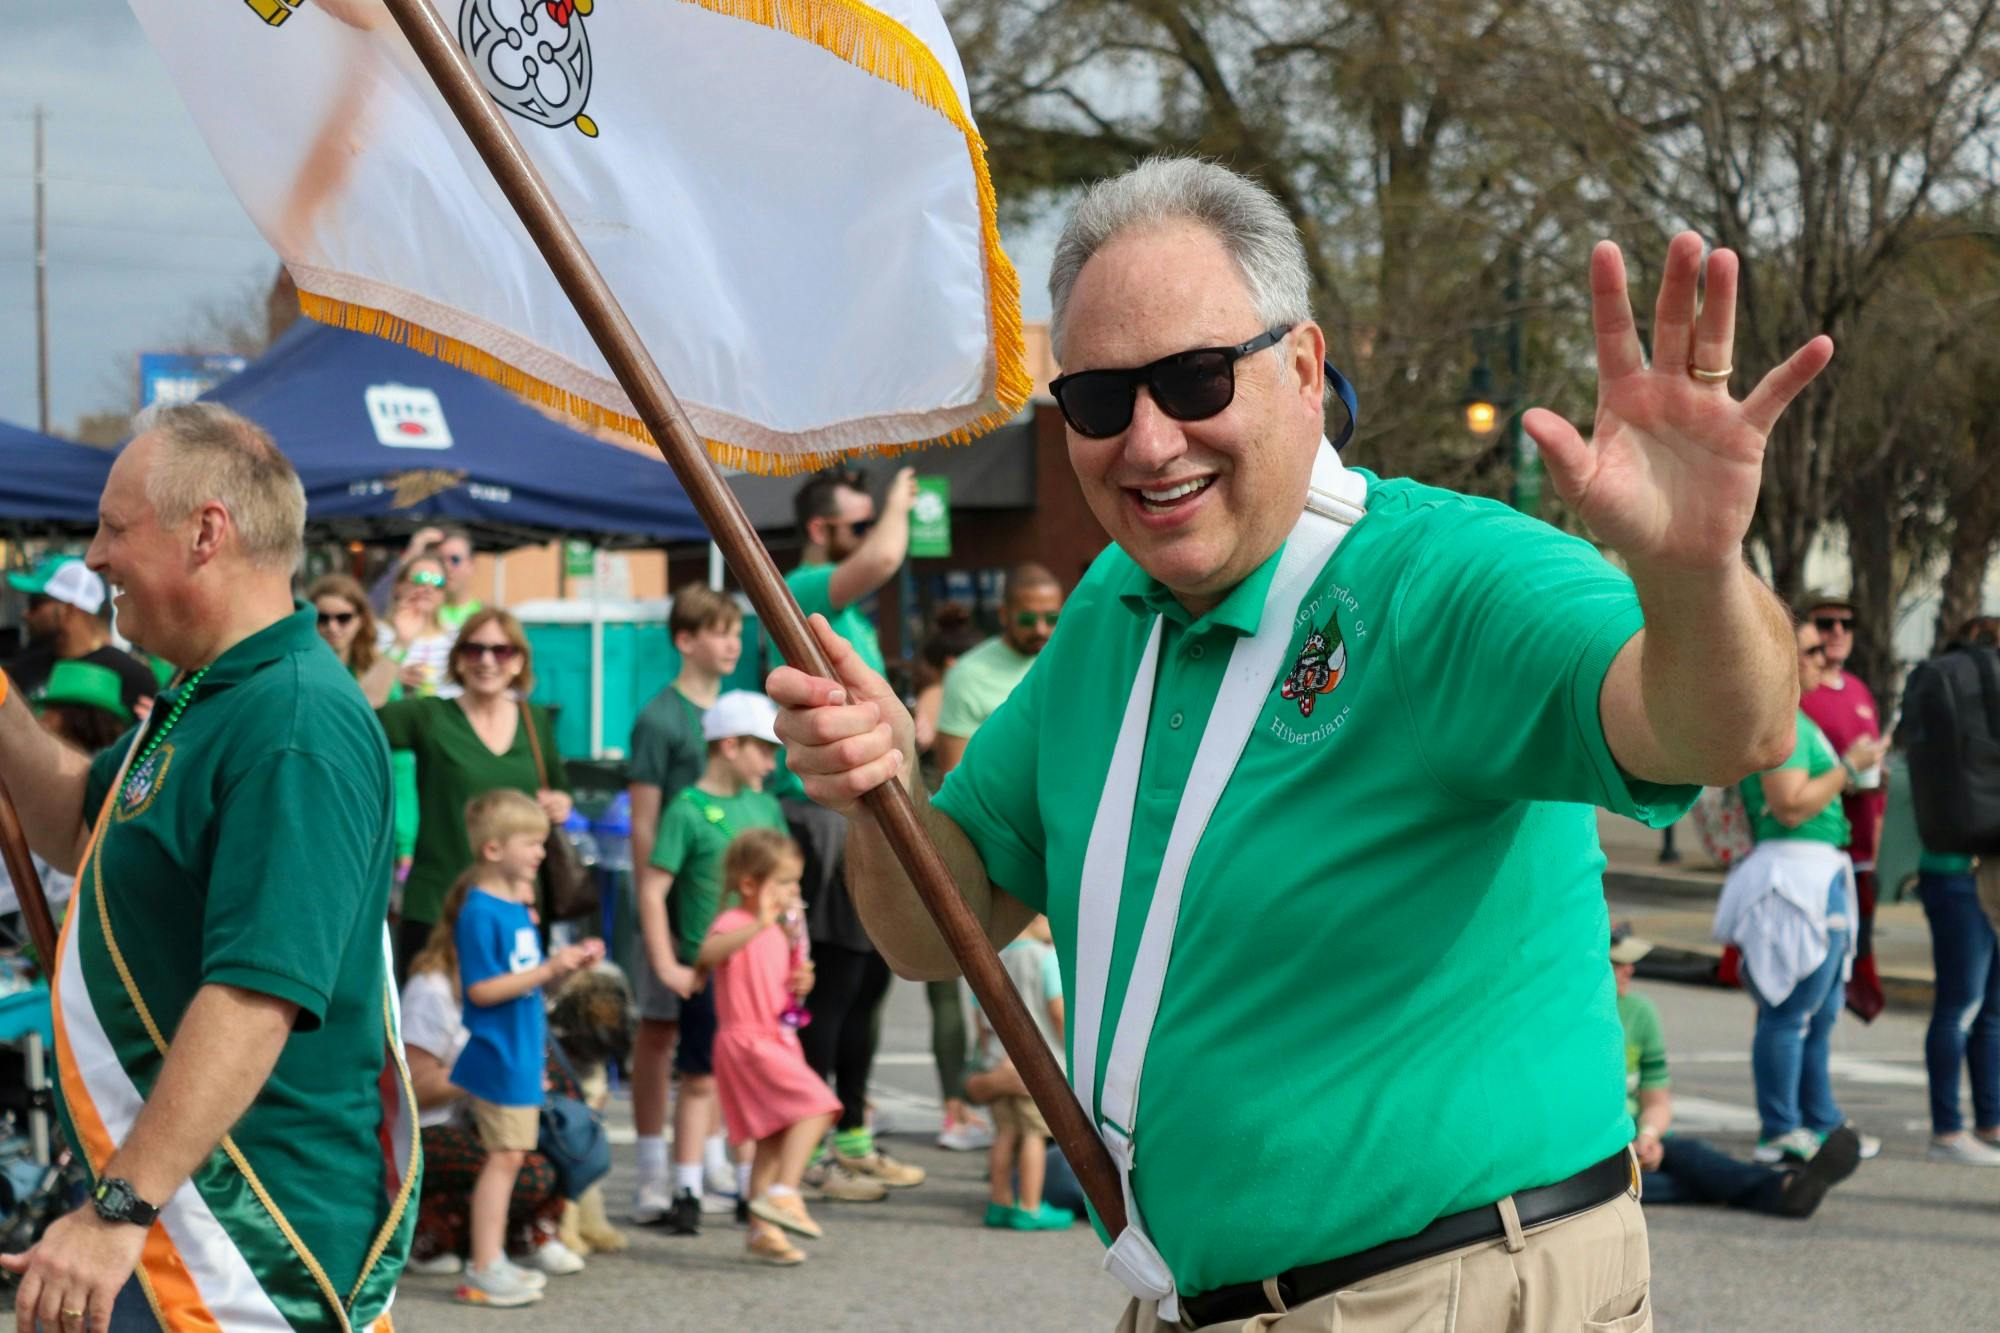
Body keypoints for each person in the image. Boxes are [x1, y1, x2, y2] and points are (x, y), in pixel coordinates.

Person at [772, 157, 1830, 1331]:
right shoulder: (1106, 611)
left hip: (1449, 1293)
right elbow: (935, 929)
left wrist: (1692, 575)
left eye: (1191, 378)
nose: (1148, 438)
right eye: (1098, 399)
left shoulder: (1442, 578)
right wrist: (881, 790)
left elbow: (1721, 729)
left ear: (1303, 370)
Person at [0, 402, 413, 1330]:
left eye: (113, 527)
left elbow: (255, 994)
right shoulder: (208, 692)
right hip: (175, 1208)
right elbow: (74, 820)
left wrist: (117, 1210)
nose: (96, 557)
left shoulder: (293, 721)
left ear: (205, 531)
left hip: (247, 1237)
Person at [782, 465, 929, 1196]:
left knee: (872, 982)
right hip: (822, 818)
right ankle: (807, 1152)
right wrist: (901, 503)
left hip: (872, 806)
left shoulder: (858, 619)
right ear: (821, 531)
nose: (873, 533)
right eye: (857, 521)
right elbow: (884, 559)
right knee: (834, 985)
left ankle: (851, 1133)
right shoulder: (800, 591)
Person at [1715, 621, 1882, 1166]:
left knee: (1823, 1008)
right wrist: (1849, 769)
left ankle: (1818, 1120)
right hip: (1794, 877)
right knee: (1790, 1006)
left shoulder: (1798, 723)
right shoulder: (1780, 724)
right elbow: (1789, 804)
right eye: (1811, 650)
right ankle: (1781, 1128)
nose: (1825, 657)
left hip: (1818, 873)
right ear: (1784, 660)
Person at [633, 690, 789, 1230]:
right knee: (699, 1079)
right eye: (764, 751)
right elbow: (653, 891)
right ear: (729, 745)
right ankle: (686, 1188)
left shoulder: (766, 807)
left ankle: (751, 1189)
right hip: (709, 969)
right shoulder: (687, 809)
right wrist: (666, 965)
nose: (773, 764)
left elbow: (786, 891)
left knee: (752, 1081)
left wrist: (797, 958)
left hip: (762, 973)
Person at [928, 569, 1067, 1152]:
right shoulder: (972, 675)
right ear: (1004, 613)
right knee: (956, 988)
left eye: (1050, 617)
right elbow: (957, 783)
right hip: (990, 847)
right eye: (1028, 617)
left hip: (1060, 837)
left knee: (1052, 986)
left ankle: (1053, 1115)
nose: (1041, 629)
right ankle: (961, 1105)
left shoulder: (1069, 653)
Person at [448, 789, 604, 1307]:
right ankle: (485, 1264)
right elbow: (481, 990)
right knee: (505, 1158)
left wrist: (563, 970)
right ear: (494, 850)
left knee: (511, 1157)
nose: (541, 852)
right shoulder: (481, 912)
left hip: (519, 1053)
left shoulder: (518, 907)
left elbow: (526, 987)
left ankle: (491, 1259)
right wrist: (548, 969)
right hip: (499, 1054)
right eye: (530, 843)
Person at [400, 851, 579, 1281]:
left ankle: (517, 1239)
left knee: (556, 1147)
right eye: (520, 906)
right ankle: (435, 1235)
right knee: (519, 1170)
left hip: (479, 1114)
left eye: (531, 907)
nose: (530, 918)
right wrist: (487, 1076)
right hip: (429, 1129)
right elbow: (416, 1089)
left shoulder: (516, 976)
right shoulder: (432, 990)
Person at [626, 584, 743, 1204]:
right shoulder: (660, 717)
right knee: (659, 1028)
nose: (732, 642)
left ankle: (710, 1156)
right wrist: (656, 909)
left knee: (722, 1029)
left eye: (735, 631)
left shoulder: (737, 714)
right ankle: (650, 1165)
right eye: (719, 631)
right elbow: (643, 820)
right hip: (670, 897)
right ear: (685, 640)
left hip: (722, 906)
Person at [1612, 928, 1862, 1216]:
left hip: (1634, 1138)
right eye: (1617, 962)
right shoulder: (1572, 1021)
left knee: (1693, 1155)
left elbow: (1656, 1101)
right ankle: (1781, 1188)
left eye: (1630, 962)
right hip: (1600, 1146)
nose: (1629, 969)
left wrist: (1648, 1136)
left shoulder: (1640, 1012)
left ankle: (1784, 1189)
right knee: (1645, 1185)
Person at [378, 611, 573, 978]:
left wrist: (561, 804)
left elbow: (559, 789)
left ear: (518, 662)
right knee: (430, 1028)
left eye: (500, 651)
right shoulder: (430, 716)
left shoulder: (536, 720)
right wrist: (399, 647)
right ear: (458, 659)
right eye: (474, 650)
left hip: (518, 903)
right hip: (440, 904)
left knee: (509, 1022)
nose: (486, 661)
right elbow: (356, 713)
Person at [699, 828, 841, 1266]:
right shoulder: (736, 922)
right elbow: (709, 952)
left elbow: (779, 990)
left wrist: (802, 982)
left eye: (794, 883)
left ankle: (763, 1231)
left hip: (777, 1039)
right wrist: (760, 922)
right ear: (748, 885)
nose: (791, 892)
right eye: (782, 883)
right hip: (749, 1042)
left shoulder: (781, 933)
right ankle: (783, 1193)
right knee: (819, 1106)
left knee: (772, 1138)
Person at [1910, 615, 2000, 1166]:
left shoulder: (1945, 690)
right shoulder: (1975, 697)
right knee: (1965, 1005)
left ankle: (1988, 1120)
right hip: (1967, 868)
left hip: (1955, 865)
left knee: (1984, 1006)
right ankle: (1948, 1128)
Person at [1798, 590, 1890, 1019]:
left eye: (1845, 624)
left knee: (1841, 982)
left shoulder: (1858, 690)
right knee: (1807, 990)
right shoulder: (1800, 695)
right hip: (1814, 850)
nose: (1836, 632)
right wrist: (1846, 772)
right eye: (1825, 623)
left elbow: (1870, 767)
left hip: (1859, 855)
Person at [0, 662, 133, 920]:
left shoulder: (65, 779)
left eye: (46, 710)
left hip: (29, 914)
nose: (40, 717)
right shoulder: (121, 769)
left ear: (60, 715)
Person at [970, 914, 1074, 1231]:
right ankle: (1029, 1206)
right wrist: (1069, 1049)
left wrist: (992, 1055)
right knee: (1033, 1135)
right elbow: (1058, 1013)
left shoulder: (992, 961)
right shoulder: (1045, 959)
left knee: (1004, 1134)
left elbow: (980, 1021)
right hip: (1038, 1067)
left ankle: (999, 1202)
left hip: (1001, 1062)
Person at [3, 555, 158, 718]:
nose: (25, 614)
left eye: (35, 604)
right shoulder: (25, 668)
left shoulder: (130, 675)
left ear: (68, 610)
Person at [310, 573, 400, 708]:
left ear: (361, 620)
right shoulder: (300, 668)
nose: (332, 627)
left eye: (343, 618)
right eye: (322, 618)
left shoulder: (375, 665)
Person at [374, 526, 483, 633]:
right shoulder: (418, 606)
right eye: (440, 559)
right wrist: (411, 554)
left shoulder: (482, 615)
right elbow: (373, 606)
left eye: (455, 560)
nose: (446, 566)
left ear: (471, 565)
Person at [378, 553, 458, 699]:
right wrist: (395, 678)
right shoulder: (378, 634)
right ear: (398, 586)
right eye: (420, 579)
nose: (428, 588)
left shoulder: (457, 636)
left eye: (438, 582)